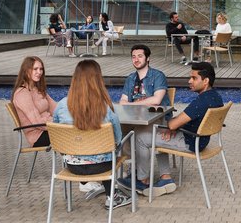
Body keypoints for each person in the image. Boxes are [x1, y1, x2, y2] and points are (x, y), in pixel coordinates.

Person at [126, 62, 223, 198]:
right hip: (200, 138)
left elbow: (172, 124)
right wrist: (173, 126)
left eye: (194, 78)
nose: (189, 81)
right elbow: (181, 121)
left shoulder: (201, 102)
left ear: (205, 81)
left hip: (190, 141)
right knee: (159, 132)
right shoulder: (215, 96)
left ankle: (142, 181)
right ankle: (165, 178)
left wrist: (172, 126)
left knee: (141, 136)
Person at [52, 60, 131, 209]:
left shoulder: (61, 105)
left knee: (103, 149)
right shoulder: (105, 107)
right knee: (112, 149)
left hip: (73, 166)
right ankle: (112, 196)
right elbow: (117, 138)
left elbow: (56, 129)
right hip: (102, 166)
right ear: (98, 80)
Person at [116, 44, 171, 193]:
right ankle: (133, 169)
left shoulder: (157, 75)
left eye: (140, 56)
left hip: (157, 119)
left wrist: (132, 103)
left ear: (148, 58)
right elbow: (122, 102)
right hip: (135, 118)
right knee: (119, 131)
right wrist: (133, 103)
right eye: (133, 56)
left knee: (141, 135)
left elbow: (157, 100)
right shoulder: (130, 78)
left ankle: (142, 179)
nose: (136, 59)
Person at [11, 56, 57, 148]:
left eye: (41, 69)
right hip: (38, 135)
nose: (39, 72)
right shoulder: (22, 93)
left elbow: (56, 108)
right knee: (72, 135)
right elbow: (37, 122)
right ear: (26, 70)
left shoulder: (37, 89)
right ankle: (76, 161)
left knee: (78, 130)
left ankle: (79, 161)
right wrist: (59, 124)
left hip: (49, 128)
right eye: (35, 69)